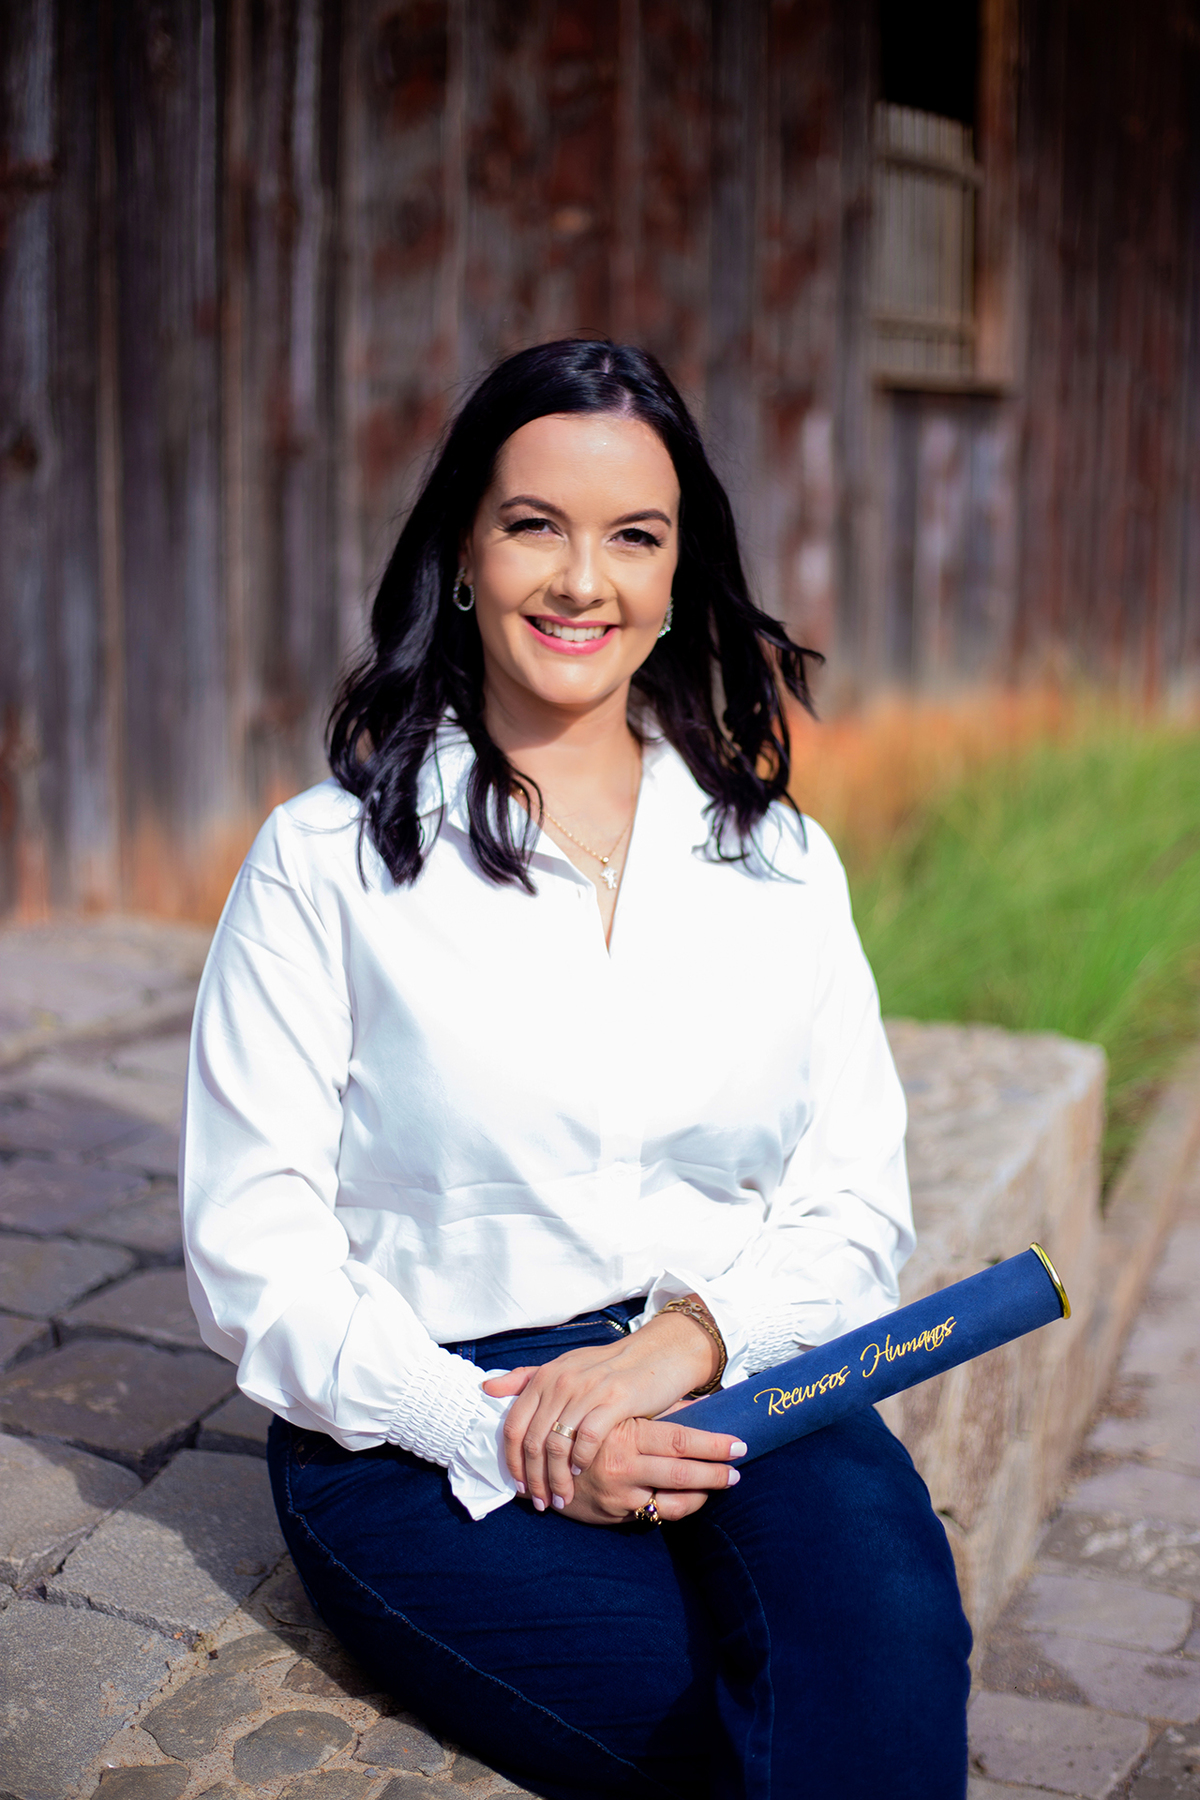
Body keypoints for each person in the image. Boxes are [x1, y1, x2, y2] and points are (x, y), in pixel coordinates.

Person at [182, 338, 972, 1800]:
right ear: (464, 554)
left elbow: (856, 1208)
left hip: (736, 1375)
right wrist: (517, 1432)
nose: (581, 579)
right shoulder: (330, 862)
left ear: (679, 579)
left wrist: (677, 1352)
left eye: (634, 537)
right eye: (534, 523)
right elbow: (255, 1254)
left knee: (887, 1666)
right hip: (427, 1426)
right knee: (727, 1749)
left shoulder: (777, 862)